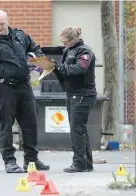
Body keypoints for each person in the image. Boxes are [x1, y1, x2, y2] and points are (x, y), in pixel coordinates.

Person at [0, 10, 50, 173]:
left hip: (24, 86)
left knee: (30, 122)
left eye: (1, 24)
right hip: (5, 89)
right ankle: (10, 162)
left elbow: (35, 48)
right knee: (5, 125)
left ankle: (31, 160)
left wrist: (41, 61)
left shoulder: (20, 36)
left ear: (8, 21)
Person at [52, 27, 97, 173]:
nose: (64, 45)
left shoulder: (85, 51)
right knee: (79, 129)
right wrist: (52, 68)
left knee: (77, 130)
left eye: (65, 42)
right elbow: (63, 70)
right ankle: (86, 164)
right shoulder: (67, 51)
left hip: (84, 94)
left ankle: (79, 164)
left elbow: (79, 69)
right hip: (72, 94)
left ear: (73, 39)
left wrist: (60, 68)